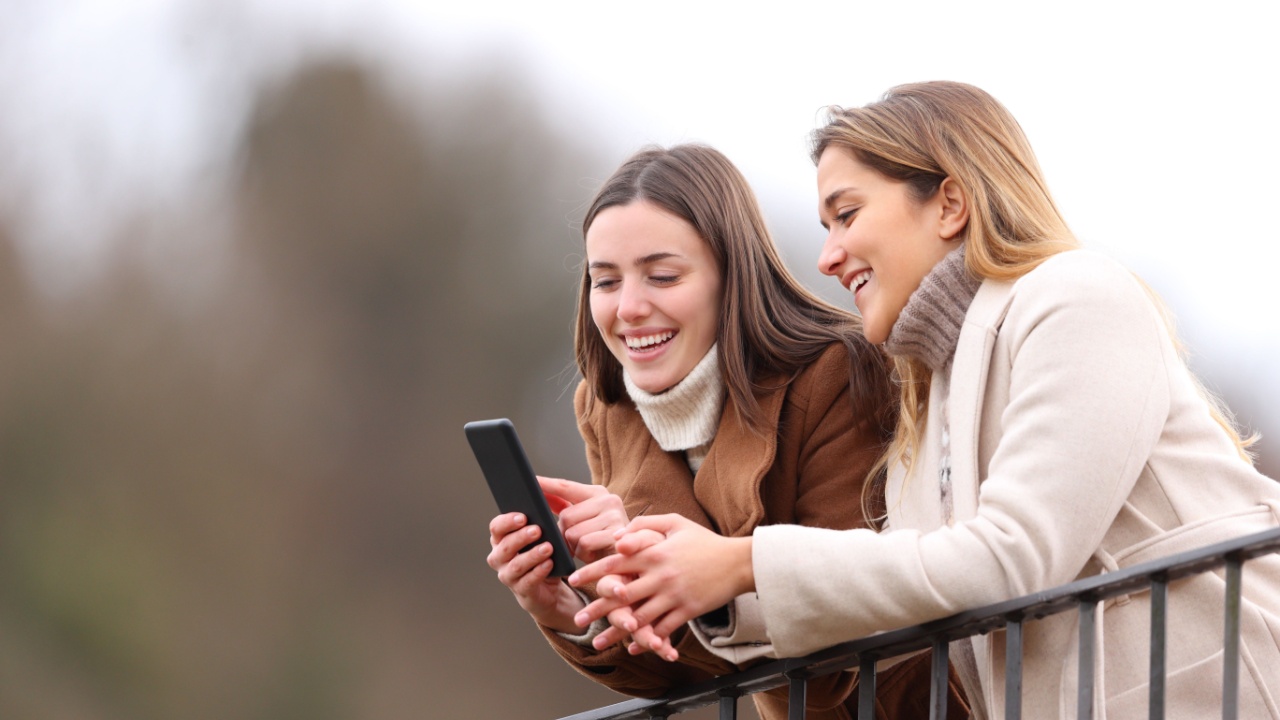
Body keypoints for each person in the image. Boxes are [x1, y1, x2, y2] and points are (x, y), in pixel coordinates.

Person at [569, 83, 1280, 719]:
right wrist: (657, 584)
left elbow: (1011, 557)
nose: (827, 256)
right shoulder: (928, 393)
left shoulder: (1074, 295)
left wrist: (742, 561)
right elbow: (904, 606)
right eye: (825, 226)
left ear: (949, 204)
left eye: (847, 215)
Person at [485, 144, 970, 719]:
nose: (629, 307)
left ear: (731, 276)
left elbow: (831, 662)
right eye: (606, 281)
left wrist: (669, 566)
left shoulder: (838, 373)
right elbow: (684, 667)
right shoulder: (606, 409)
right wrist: (572, 610)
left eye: (662, 276)